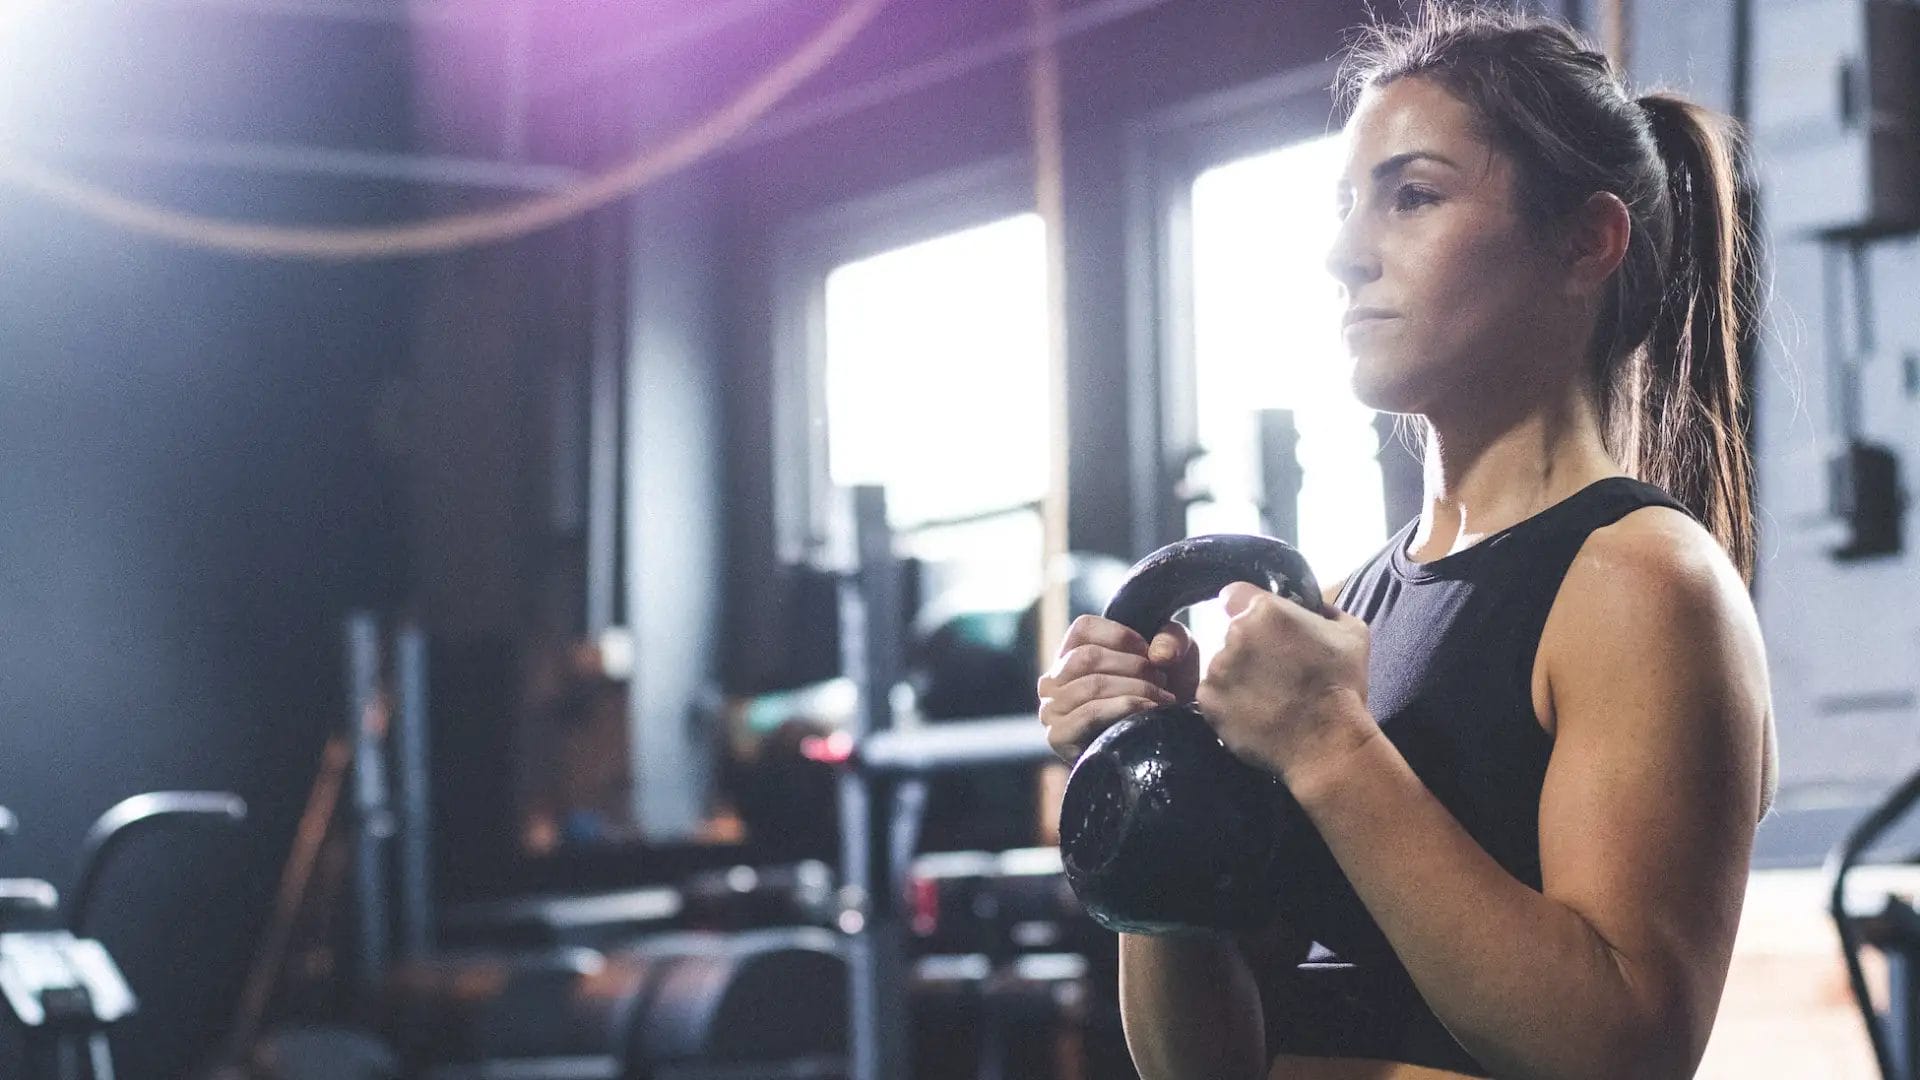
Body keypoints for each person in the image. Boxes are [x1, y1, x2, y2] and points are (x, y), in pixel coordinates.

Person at [1036, 5, 1779, 1078]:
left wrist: (1331, 748)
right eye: (1346, 206)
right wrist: (1160, 770)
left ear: (1586, 242)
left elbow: (1618, 1050)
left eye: (1413, 196)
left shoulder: (1642, 580)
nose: (1345, 254)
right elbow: (1204, 1067)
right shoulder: (1345, 608)